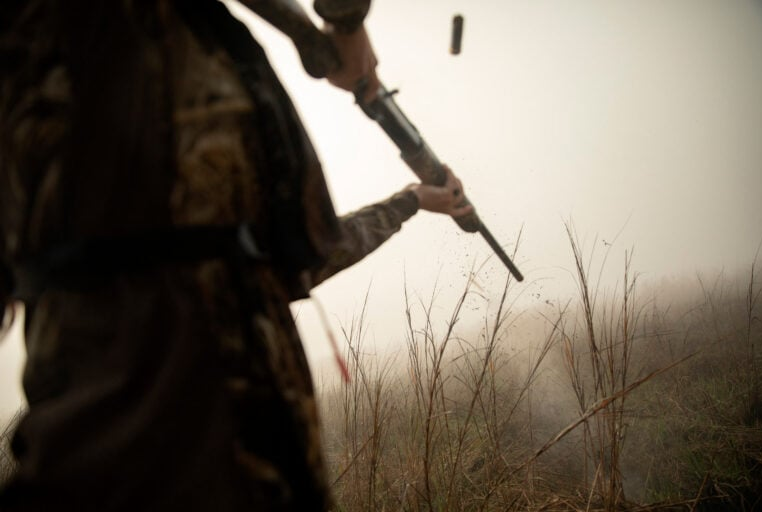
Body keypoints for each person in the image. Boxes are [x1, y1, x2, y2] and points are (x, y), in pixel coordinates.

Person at [0, 1, 471, 510]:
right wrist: (345, 22)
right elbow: (288, 258)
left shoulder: (28, 93)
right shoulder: (156, 74)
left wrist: (410, 201)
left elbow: (288, 261)